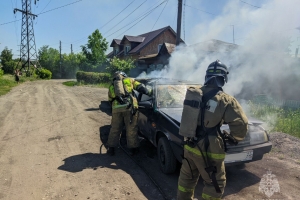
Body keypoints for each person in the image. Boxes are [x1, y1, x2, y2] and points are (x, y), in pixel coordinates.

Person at [177, 60, 248, 200]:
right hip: (209, 150)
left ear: (207, 76)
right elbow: (241, 124)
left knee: (187, 179)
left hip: (190, 144)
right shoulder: (225, 100)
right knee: (215, 184)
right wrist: (234, 138)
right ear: (224, 78)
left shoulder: (195, 94)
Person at [106, 71, 151, 156]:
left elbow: (109, 100)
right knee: (131, 129)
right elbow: (141, 88)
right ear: (124, 75)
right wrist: (150, 92)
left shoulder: (112, 86)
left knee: (115, 129)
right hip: (129, 108)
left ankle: (111, 149)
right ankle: (133, 149)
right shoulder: (129, 80)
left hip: (116, 110)